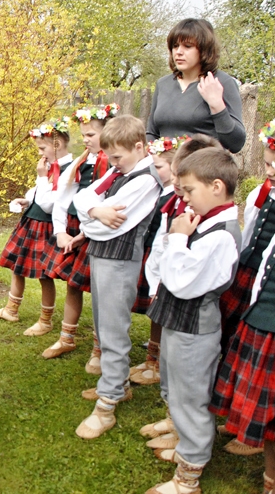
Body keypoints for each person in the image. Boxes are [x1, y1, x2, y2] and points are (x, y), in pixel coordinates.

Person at [144, 148, 241, 494]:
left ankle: (188, 477)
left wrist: (178, 238)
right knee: (174, 382)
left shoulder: (220, 236)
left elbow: (181, 282)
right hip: (179, 322)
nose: (182, 198)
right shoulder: (204, 223)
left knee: (191, 398)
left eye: (188, 191)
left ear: (216, 186)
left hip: (194, 328)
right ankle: (181, 435)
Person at [73, 115, 162, 440]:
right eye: (110, 158)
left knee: (113, 330)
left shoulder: (145, 179)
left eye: (118, 157)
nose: (112, 164)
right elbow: (82, 199)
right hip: (101, 255)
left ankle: (107, 404)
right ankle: (119, 384)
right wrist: (95, 211)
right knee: (101, 322)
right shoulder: (119, 169)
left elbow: (113, 224)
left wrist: (91, 217)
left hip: (120, 260)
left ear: (139, 147)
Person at [140, 134, 225, 455]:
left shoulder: (210, 224)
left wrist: (174, 245)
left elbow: (186, 270)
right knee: (171, 367)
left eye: (183, 180)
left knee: (189, 379)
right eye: (174, 176)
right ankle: (174, 417)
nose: (176, 183)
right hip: (170, 294)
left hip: (191, 308)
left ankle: (185, 434)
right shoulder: (180, 205)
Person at [210, 122, 275, 494]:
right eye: (268, 164)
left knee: (265, 374)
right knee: (235, 346)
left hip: (273, 302)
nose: (270, 172)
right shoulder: (267, 194)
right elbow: (254, 230)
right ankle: (242, 420)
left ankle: (255, 435)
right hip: (253, 279)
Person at [42, 104, 118, 364]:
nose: (85, 139)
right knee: (74, 283)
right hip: (75, 229)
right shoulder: (81, 162)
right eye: (83, 135)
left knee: (100, 289)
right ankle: (67, 337)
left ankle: (99, 349)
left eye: (91, 135)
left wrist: (85, 231)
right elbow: (63, 197)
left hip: (99, 231)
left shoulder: (116, 164)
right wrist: (61, 231)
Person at [0, 118, 72, 335]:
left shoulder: (70, 169)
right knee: (18, 265)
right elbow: (39, 193)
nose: (40, 152)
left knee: (44, 275)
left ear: (57, 145)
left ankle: (45, 320)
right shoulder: (48, 165)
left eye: (42, 148)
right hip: (31, 222)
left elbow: (51, 204)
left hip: (47, 227)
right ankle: (11, 309)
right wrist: (28, 200)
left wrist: (42, 178)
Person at [128, 136, 186, 387]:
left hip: (166, 256)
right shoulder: (162, 191)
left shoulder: (177, 197)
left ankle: (160, 362)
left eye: (160, 166)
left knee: (162, 310)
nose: (155, 170)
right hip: (154, 253)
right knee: (155, 309)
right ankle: (152, 358)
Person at [146, 18, 245, 154]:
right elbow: (152, 133)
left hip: (203, 170)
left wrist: (217, 106)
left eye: (187, 46)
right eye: (175, 46)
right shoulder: (163, 84)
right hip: (164, 171)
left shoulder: (222, 82)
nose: (179, 52)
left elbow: (236, 143)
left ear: (204, 49)